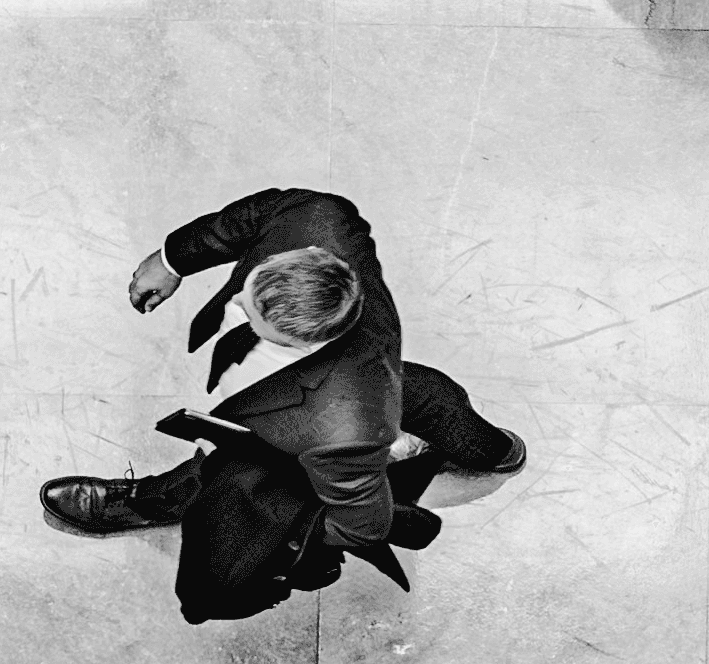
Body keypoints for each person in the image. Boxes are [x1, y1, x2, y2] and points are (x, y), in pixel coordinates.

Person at [39, 187, 524, 625]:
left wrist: (297, 533)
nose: (240, 307)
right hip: (366, 377)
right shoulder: (319, 217)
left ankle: (155, 501)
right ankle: (491, 450)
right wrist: (171, 261)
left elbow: (362, 524)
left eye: (255, 317)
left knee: (226, 503)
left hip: (326, 413)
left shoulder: (345, 429)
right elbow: (248, 218)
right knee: (429, 399)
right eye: (251, 293)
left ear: (303, 341)